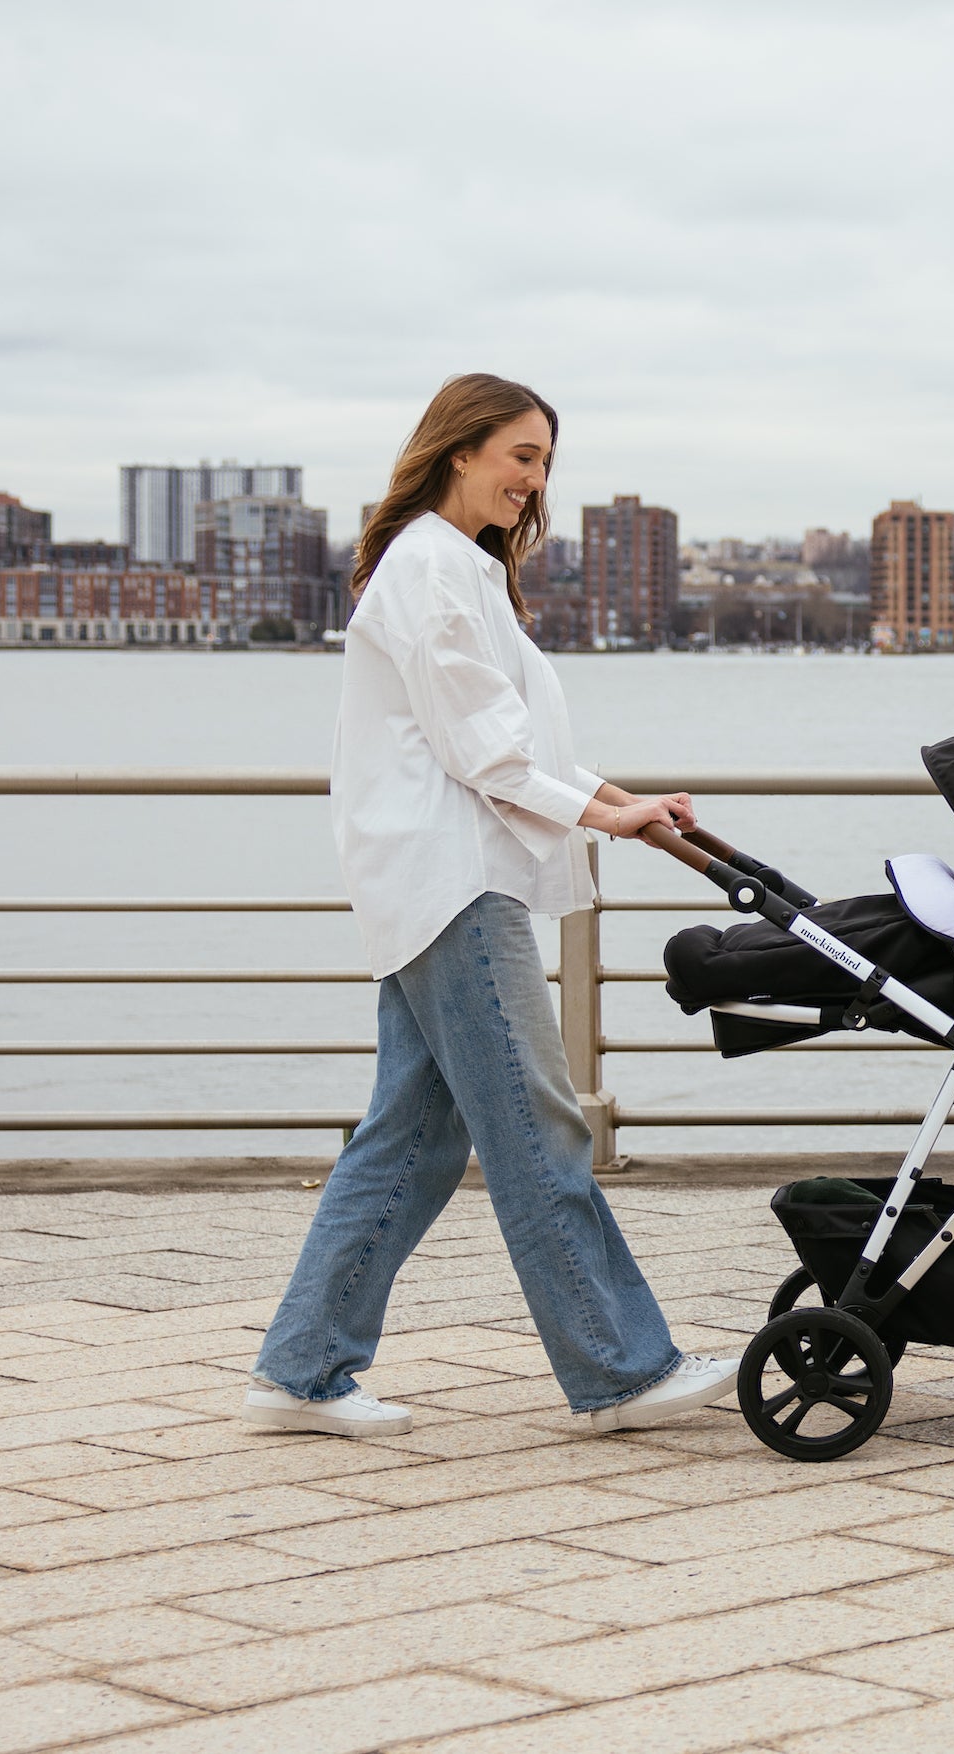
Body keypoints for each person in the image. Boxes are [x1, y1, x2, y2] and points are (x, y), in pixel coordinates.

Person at [243, 373, 738, 1439]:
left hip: (442, 878)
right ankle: (618, 1368)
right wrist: (604, 819)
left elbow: (525, 750)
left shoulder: (455, 567)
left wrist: (624, 804)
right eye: (521, 454)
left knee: (409, 1141)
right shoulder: (427, 566)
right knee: (537, 1124)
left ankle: (299, 1368)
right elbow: (486, 751)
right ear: (460, 448)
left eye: (546, 461)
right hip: (450, 882)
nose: (534, 479)